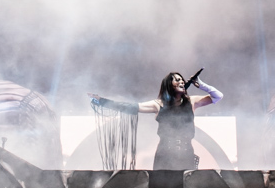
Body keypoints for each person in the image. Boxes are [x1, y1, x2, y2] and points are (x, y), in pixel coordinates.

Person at [90, 72, 223, 170]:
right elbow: (131, 107)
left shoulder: (192, 101)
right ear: (169, 85)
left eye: (182, 80)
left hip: (186, 155)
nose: (182, 82)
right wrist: (102, 102)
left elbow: (218, 96)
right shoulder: (158, 104)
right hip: (165, 156)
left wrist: (201, 85)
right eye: (177, 80)